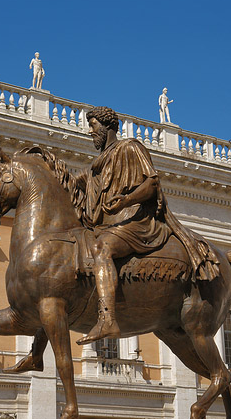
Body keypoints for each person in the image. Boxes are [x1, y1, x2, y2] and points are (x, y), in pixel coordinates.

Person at [75, 107, 171, 345]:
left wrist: (126, 200)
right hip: (109, 226)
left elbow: (151, 185)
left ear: (107, 127)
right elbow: (69, 182)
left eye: (94, 125)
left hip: (136, 222)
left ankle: (107, 319)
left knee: (102, 248)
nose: (90, 131)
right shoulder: (95, 166)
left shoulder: (130, 147)